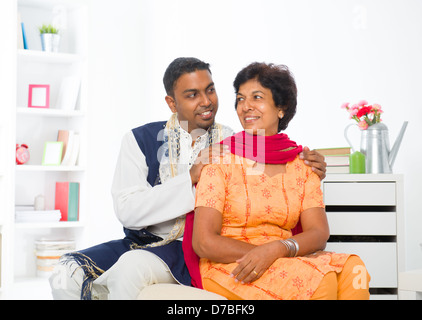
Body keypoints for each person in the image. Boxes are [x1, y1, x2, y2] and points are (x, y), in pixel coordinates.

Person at [49, 57, 327, 300]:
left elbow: (274, 160)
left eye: (210, 91)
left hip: (191, 247)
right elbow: (127, 210)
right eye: (192, 95)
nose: (206, 102)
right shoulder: (139, 139)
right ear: (172, 102)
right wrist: (190, 178)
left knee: (129, 270)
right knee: (65, 272)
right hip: (143, 240)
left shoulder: (235, 139)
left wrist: (310, 163)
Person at [192, 62, 370, 300]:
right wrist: (263, 255)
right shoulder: (218, 159)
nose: (246, 107)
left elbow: (318, 233)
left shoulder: (302, 164)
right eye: (241, 98)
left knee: (353, 268)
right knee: (319, 280)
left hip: (283, 255)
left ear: (281, 108)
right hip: (233, 264)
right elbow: (204, 242)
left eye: (257, 97)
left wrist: (276, 250)